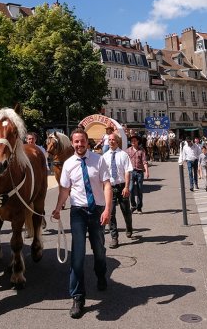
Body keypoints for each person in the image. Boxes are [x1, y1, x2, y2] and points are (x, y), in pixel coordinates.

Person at [53, 128, 112, 319]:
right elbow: (65, 189)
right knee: (77, 256)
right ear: (72, 143)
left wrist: (107, 210)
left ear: (88, 141)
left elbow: (107, 185)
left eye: (82, 141)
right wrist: (58, 207)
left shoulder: (98, 160)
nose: (79, 145)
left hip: (97, 211)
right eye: (76, 142)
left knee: (99, 250)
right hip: (78, 212)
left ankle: (101, 274)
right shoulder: (68, 164)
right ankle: (78, 297)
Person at [101, 133, 135, 248]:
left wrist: (126, 187)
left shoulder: (123, 155)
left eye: (113, 140)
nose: (111, 141)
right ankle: (114, 238)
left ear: (117, 141)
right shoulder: (104, 156)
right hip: (110, 188)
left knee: (126, 211)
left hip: (121, 187)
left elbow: (127, 171)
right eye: (109, 140)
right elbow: (102, 174)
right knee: (110, 213)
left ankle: (129, 227)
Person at [126, 135, 149, 213]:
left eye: (134, 140)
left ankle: (139, 207)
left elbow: (144, 161)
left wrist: (147, 171)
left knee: (139, 190)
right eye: (132, 141)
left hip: (139, 172)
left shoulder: (141, 150)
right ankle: (133, 205)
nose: (133, 142)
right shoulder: (127, 151)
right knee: (131, 189)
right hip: (131, 172)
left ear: (137, 141)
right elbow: (125, 162)